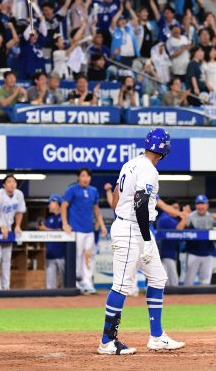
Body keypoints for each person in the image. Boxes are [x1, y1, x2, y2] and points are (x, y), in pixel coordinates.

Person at [97, 128, 185, 355]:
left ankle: (156, 336)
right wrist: (145, 237)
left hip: (133, 226)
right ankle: (107, 341)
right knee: (122, 285)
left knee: (157, 278)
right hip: (132, 229)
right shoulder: (149, 170)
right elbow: (140, 203)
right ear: (164, 149)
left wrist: (137, 229)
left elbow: (116, 198)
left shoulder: (130, 164)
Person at [62, 167, 107, 295]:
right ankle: (76, 280)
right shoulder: (71, 190)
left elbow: (96, 210)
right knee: (77, 255)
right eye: (83, 176)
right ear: (78, 177)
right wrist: (65, 224)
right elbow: (64, 206)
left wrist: (102, 226)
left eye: (87, 176)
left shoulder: (93, 191)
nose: (85, 178)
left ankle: (87, 281)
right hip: (76, 229)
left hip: (89, 230)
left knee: (89, 255)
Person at [176, 195, 216, 286]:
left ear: (207, 205)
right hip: (193, 253)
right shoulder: (191, 216)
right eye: (198, 204)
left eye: (202, 204)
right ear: (196, 205)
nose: (200, 207)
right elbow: (179, 229)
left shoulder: (212, 217)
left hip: (207, 254)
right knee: (188, 282)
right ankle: (187, 300)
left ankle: (203, 300)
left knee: (205, 283)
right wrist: (185, 217)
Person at [0, 175, 27, 291]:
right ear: (4, 184)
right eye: (9, 182)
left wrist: (17, 225)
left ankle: (6, 285)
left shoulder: (19, 194)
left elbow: (20, 211)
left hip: (9, 229)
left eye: (14, 182)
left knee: (7, 258)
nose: (12, 184)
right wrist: (1, 227)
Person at [155, 199, 188, 287]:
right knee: (173, 279)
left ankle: (171, 299)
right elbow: (178, 229)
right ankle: (174, 298)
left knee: (168, 280)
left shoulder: (168, 218)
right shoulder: (166, 217)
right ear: (168, 208)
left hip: (167, 253)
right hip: (165, 253)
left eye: (178, 208)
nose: (177, 210)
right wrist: (185, 216)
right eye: (174, 208)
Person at [37, 194, 65, 289]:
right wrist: (42, 230)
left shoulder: (65, 218)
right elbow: (47, 231)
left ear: (56, 203)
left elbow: (63, 231)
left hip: (62, 255)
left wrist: (46, 229)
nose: (48, 205)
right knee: (50, 287)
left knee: (66, 285)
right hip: (50, 255)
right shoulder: (50, 219)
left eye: (50, 203)